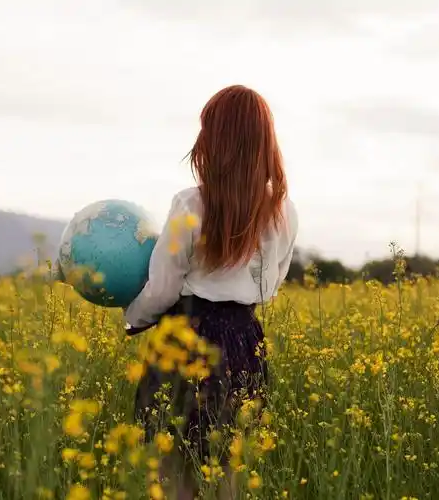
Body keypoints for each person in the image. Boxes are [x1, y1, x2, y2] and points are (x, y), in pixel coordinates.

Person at [123, 85, 299, 499]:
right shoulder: (284, 211)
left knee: (172, 470)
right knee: (227, 473)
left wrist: (134, 316)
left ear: (215, 141)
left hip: (185, 337)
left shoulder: (190, 205)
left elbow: (163, 289)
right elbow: (271, 287)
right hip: (244, 342)